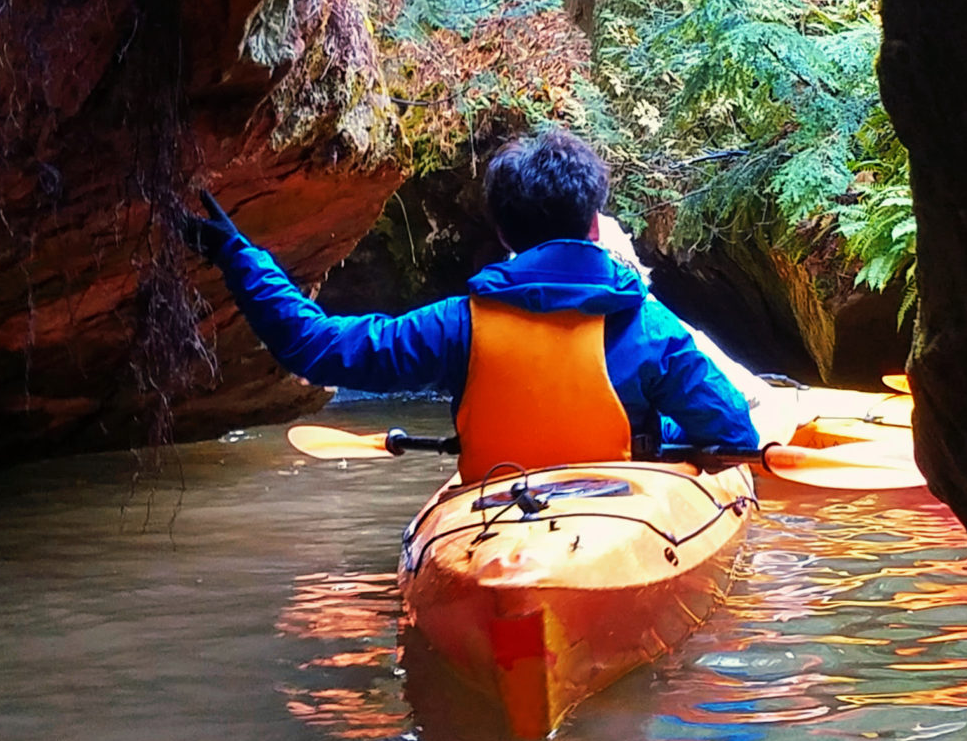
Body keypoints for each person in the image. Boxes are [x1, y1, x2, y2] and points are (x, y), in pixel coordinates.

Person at [183, 128, 760, 479]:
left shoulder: (457, 326)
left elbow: (314, 347)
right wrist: (657, 437)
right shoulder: (652, 329)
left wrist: (239, 255)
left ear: (505, 237)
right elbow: (735, 435)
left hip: (496, 507)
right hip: (621, 511)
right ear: (594, 226)